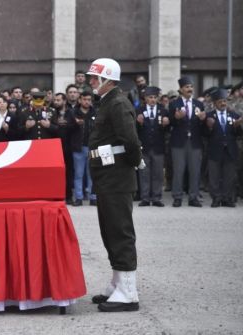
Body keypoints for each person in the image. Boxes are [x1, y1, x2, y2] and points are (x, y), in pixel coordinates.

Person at [86, 58, 142, 312]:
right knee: (109, 231)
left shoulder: (117, 102)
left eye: (95, 78)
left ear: (108, 79)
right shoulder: (107, 102)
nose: (91, 82)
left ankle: (128, 292)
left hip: (117, 176)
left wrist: (133, 163)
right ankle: (118, 283)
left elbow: (130, 140)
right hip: (107, 176)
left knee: (120, 232)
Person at [168, 77, 206, 207]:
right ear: (181, 89)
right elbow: (170, 123)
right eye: (187, 87)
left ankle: (193, 197)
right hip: (179, 142)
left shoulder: (199, 104)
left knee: (195, 170)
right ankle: (177, 197)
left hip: (194, 142)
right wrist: (176, 118)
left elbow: (203, 127)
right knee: (178, 170)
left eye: (191, 87)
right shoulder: (174, 104)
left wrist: (203, 120)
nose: (190, 89)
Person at [204, 89, 243, 207]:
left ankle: (227, 198)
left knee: (229, 176)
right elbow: (204, 134)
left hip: (230, 150)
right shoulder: (209, 116)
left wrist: (237, 126)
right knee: (214, 176)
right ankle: (216, 198)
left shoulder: (234, 115)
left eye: (225, 101)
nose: (223, 103)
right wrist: (209, 127)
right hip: (214, 150)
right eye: (220, 101)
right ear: (215, 103)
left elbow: (239, 134)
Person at [135, 87, 169, 207]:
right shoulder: (139, 110)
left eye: (155, 97)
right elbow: (135, 129)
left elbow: (168, 129)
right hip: (144, 146)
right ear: (145, 98)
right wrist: (138, 122)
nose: (153, 100)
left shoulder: (163, 110)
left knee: (158, 174)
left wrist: (166, 123)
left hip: (158, 147)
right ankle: (145, 197)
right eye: (150, 97)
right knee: (144, 173)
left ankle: (156, 197)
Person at [67, 91, 97, 206]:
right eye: (85, 99)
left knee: (92, 173)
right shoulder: (73, 112)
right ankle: (79, 198)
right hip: (78, 147)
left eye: (89, 100)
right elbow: (67, 128)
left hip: (93, 147)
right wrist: (76, 124)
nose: (87, 102)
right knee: (78, 174)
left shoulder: (95, 112)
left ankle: (93, 197)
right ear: (80, 100)